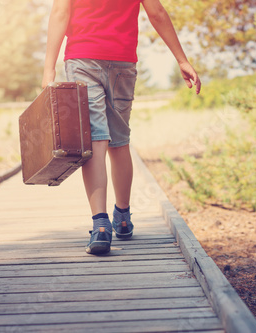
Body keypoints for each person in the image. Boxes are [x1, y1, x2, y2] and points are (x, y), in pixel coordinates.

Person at [42, 0, 201, 255]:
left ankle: (101, 226)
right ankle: (123, 218)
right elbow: (157, 13)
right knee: (119, 140)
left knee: (95, 139)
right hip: (122, 61)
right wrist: (182, 59)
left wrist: (49, 67)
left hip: (83, 58)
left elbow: (60, 12)